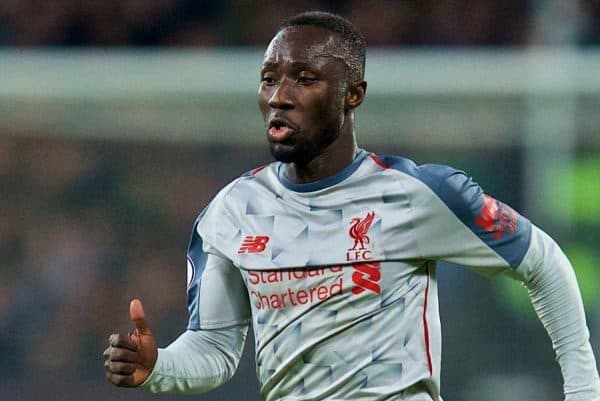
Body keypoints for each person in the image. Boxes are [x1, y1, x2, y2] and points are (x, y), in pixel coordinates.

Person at [103, 11, 600, 401]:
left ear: (353, 94)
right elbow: (214, 348)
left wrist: (583, 391)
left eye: (304, 78)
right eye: (268, 77)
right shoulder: (232, 212)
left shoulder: (419, 195)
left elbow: (544, 263)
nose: (279, 96)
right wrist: (158, 368)